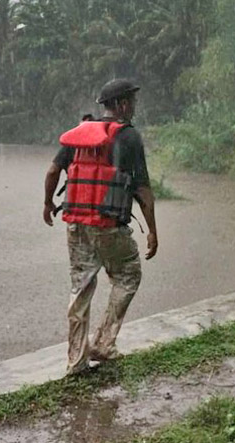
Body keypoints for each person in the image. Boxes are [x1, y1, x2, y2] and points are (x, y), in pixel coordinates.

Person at [42, 78, 158, 374]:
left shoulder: (80, 134)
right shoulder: (129, 137)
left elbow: (54, 170)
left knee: (80, 287)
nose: (134, 106)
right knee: (128, 273)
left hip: (76, 224)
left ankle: (76, 361)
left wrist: (47, 204)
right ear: (120, 104)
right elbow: (142, 189)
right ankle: (104, 343)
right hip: (108, 225)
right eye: (131, 101)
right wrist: (153, 230)